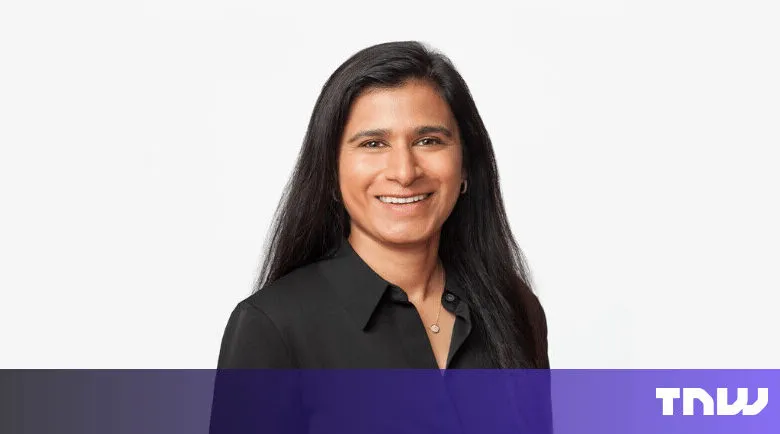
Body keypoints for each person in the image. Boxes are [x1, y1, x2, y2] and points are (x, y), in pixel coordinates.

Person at [216, 40, 549, 371]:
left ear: (464, 165)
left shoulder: (516, 311)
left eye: (428, 141)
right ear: (331, 170)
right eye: (373, 144)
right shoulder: (273, 327)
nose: (404, 172)